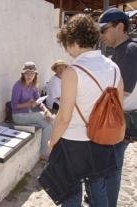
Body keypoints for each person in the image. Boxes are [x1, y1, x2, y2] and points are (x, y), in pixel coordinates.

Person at [46, 14, 124, 206]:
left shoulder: (73, 71)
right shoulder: (113, 67)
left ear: (73, 41)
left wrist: (52, 142)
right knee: (98, 191)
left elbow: (64, 117)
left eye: (65, 44)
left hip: (73, 143)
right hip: (102, 139)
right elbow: (118, 107)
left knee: (70, 194)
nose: (66, 50)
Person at [99, 7, 137, 207]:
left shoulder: (130, 50)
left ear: (120, 27)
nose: (101, 34)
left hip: (121, 121)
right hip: (119, 119)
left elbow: (124, 92)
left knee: (111, 170)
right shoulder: (121, 51)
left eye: (104, 28)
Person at [11, 61, 53, 160]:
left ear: (35, 75)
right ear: (23, 74)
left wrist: (46, 110)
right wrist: (29, 104)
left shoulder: (33, 86)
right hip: (18, 116)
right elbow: (14, 106)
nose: (29, 76)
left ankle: (44, 153)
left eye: (32, 73)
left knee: (47, 125)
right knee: (47, 117)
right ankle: (57, 144)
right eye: (27, 73)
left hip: (28, 115)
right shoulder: (18, 86)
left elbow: (39, 101)